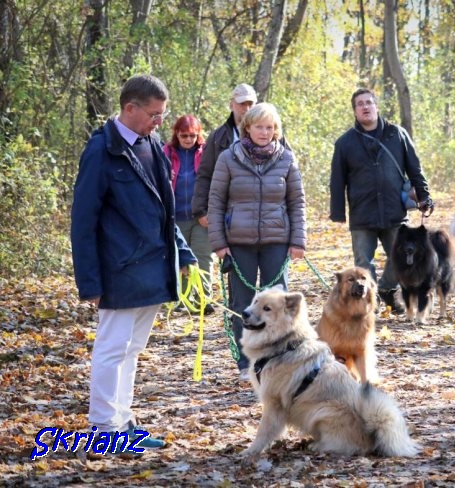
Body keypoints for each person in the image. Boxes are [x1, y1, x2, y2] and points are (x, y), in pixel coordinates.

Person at [70, 74, 197, 455]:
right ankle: (103, 429)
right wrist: (89, 282)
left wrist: (184, 254)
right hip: (118, 272)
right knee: (112, 348)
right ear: (131, 108)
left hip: (154, 270)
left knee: (132, 349)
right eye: (154, 114)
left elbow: (165, 211)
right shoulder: (100, 151)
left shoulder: (152, 144)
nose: (160, 121)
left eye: (163, 114)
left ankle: (122, 423)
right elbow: (83, 220)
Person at [208, 102, 306, 381]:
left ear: (276, 131)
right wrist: (219, 243)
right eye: (259, 126)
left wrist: (298, 240)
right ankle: (247, 362)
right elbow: (215, 202)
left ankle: (282, 357)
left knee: (280, 302)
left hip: (278, 239)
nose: (265, 132)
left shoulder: (286, 158)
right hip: (238, 242)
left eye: (270, 127)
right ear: (247, 127)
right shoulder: (228, 158)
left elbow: (297, 202)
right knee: (244, 303)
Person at [329, 88, 433, 314]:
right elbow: (337, 180)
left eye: (369, 102)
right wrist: (337, 211)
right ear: (355, 111)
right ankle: (370, 304)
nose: (365, 107)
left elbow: (415, 169)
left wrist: (425, 197)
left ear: (376, 106)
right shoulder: (345, 143)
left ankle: (386, 288)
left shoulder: (397, 134)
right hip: (362, 213)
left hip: (394, 211)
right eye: (360, 104)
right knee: (363, 266)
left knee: (403, 259)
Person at [163, 114, 214, 314]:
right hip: (176, 215)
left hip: (201, 215)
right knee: (181, 259)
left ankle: (204, 298)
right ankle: (182, 299)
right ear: (177, 133)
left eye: (192, 136)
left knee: (202, 256)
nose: (188, 140)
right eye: (184, 135)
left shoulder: (205, 153)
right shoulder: (166, 152)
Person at [192, 83, 258, 225]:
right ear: (231, 105)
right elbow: (205, 174)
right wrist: (201, 210)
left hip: (263, 211)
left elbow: (289, 171)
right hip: (229, 211)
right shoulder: (217, 137)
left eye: (250, 104)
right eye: (242, 104)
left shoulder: (271, 133)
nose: (246, 109)